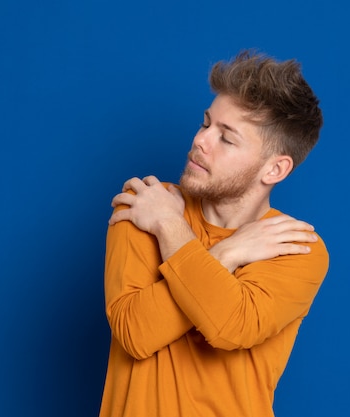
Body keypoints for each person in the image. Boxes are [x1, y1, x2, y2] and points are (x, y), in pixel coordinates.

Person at [99, 50, 329, 417]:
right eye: (206, 123)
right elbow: (135, 333)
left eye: (227, 138)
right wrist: (227, 253)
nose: (200, 140)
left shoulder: (294, 246)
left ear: (274, 169)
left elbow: (229, 326)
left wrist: (170, 229)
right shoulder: (146, 205)